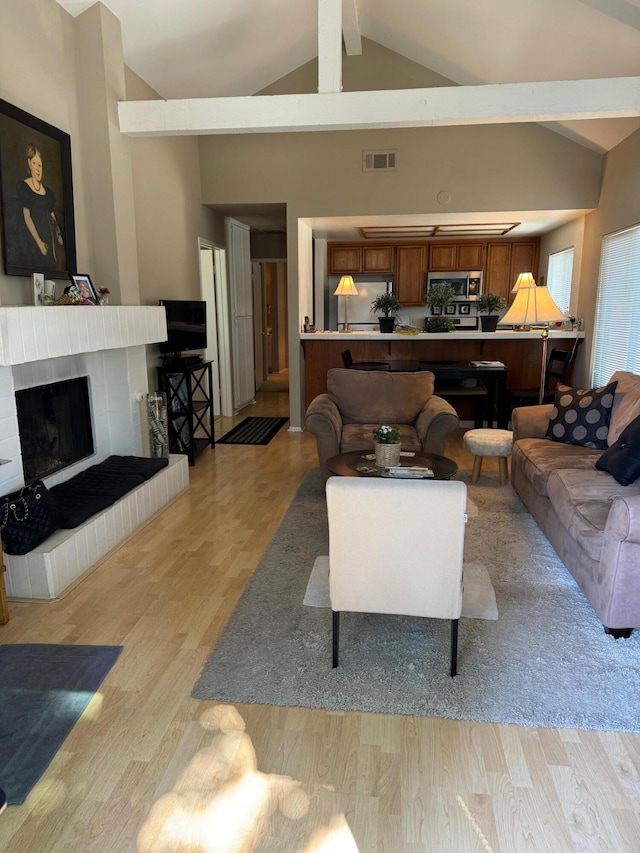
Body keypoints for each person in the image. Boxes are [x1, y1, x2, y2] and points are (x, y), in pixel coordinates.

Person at [16, 144, 64, 269]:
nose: (37, 169)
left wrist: (58, 235)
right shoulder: (24, 187)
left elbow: (52, 218)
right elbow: (27, 217)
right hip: (34, 242)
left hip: (49, 243)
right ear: (28, 163)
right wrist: (39, 243)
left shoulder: (48, 192)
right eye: (34, 163)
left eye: (40, 165)